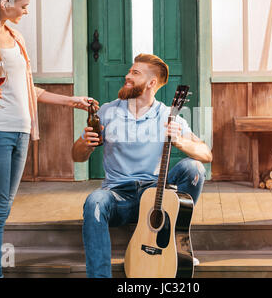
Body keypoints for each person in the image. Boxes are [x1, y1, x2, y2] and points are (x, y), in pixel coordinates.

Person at [0, 0, 96, 278]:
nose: (26, 11)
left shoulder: (17, 39)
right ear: (5, 4)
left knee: (1, 211)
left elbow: (31, 91)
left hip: (21, 132)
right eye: (23, 6)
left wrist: (72, 101)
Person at [72, 54, 213, 278]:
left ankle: (176, 243)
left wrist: (180, 141)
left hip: (155, 198)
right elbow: (77, 157)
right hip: (118, 197)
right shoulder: (107, 112)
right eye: (129, 71)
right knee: (94, 202)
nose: (127, 76)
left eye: (135, 73)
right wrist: (84, 144)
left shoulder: (168, 115)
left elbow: (206, 154)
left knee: (193, 169)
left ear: (151, 83)